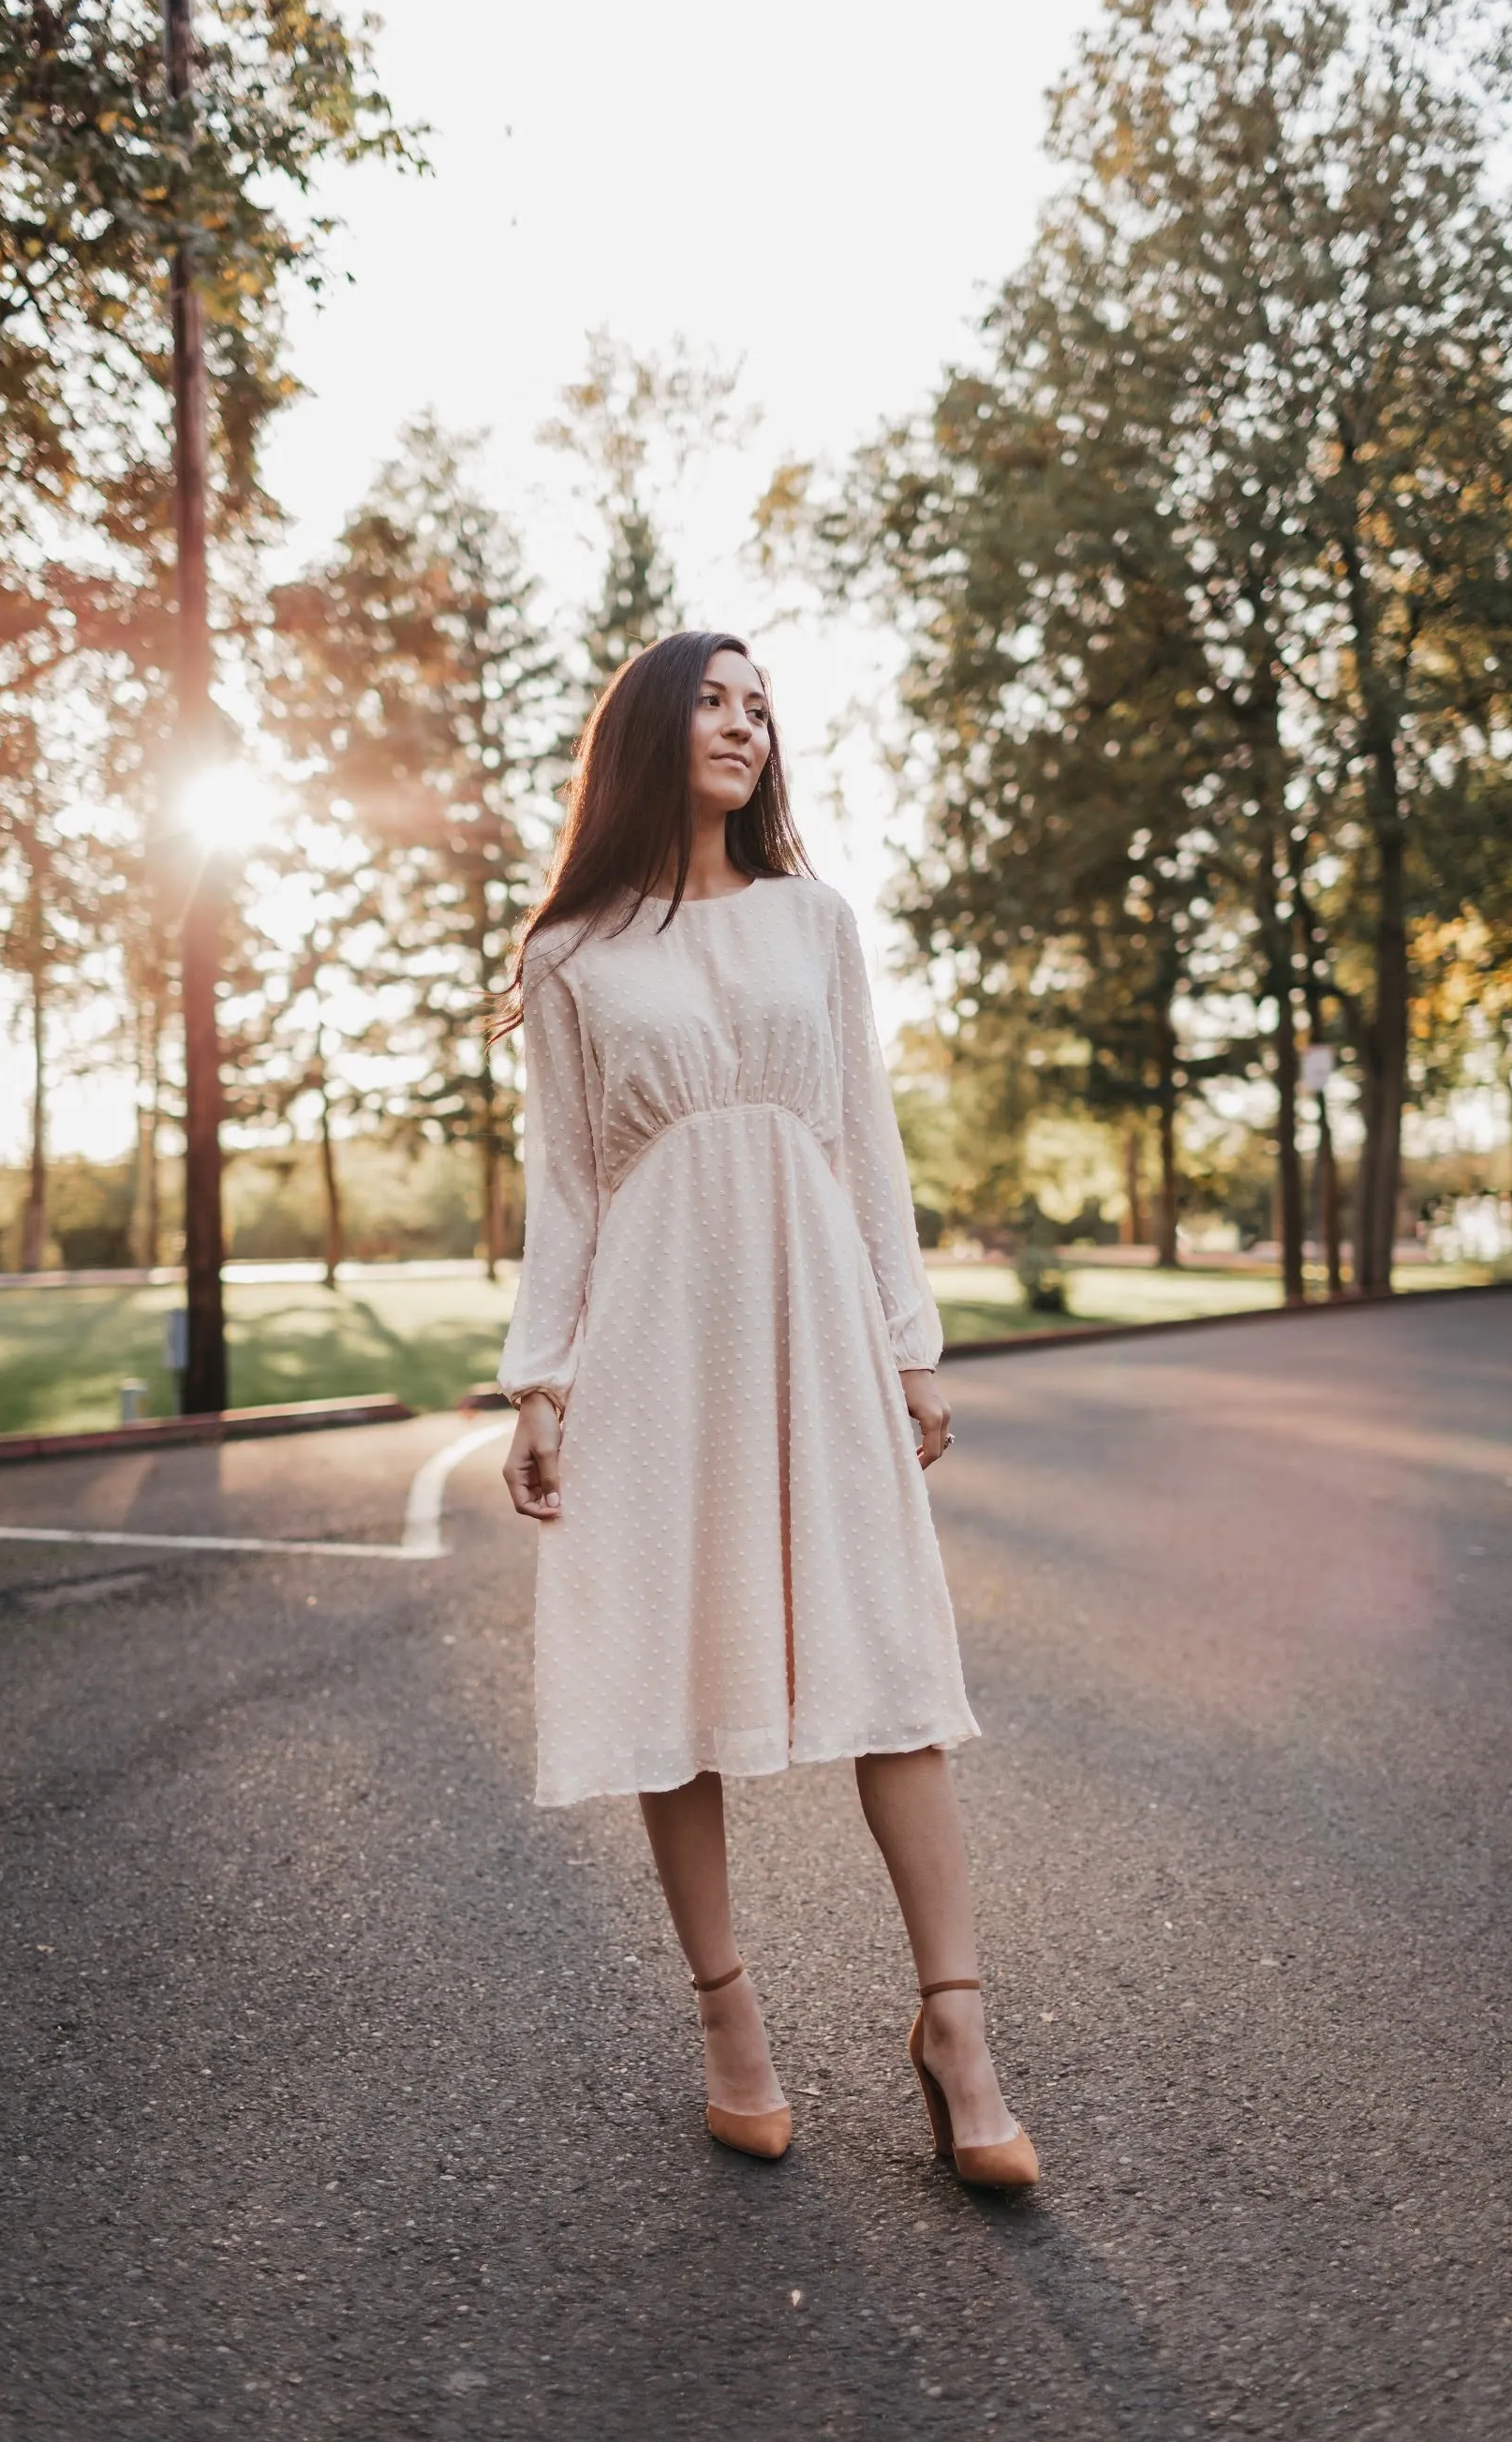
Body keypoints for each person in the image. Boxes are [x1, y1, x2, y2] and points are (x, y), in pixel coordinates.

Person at [496, 631, 1036, 2189]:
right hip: (656, 1337)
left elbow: (865, 1147)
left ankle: (958, 2028)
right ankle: (731, 2026)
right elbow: (570, 1191)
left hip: (817, 1319)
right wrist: (543, 1380)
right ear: (653, 732)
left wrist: (911, 1343)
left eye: (760, 707)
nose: (743, 725)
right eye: (715, 701)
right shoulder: (574, 955)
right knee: (675, 1657)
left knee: (894, 1652)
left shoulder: (817, 920)